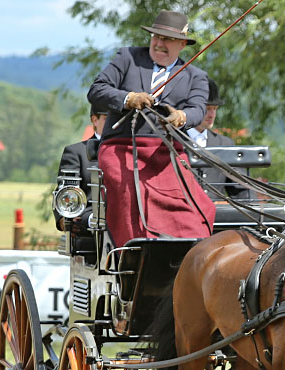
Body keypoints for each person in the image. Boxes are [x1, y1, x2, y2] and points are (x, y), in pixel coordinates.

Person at [87, 9, 215, 246]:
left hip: (167, 152)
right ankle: (134, 251)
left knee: (195, 204)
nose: (159, 43)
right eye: (156, 37)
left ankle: (188, 248)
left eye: (167, 39)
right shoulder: (128, 58)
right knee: (129, 194)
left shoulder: (195, 76)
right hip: (121, 148)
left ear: (182, 44)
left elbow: (197, 110)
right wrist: (129, 98)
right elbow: (96, 90)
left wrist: (180, 116)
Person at [54, 103, 109, 232]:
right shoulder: (76, 152)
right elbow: (66, 192)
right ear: (95, 120)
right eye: (108, 118)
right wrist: (64, 218)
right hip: (89, 219)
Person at [187, 79, 244, 199]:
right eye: (208, 109)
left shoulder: (225, 144)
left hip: (217, 215)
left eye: (215, 109)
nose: (212, 114)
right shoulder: (173, 141)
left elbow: (239, 189)